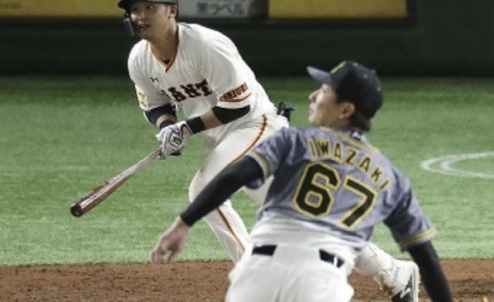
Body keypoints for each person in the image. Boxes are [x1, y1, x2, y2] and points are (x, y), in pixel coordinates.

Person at [118, 0, 420, 302]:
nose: (141, 15)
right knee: (307, 219)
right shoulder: (139, 59)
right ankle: (396, 273)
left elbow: (240, 104)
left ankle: (254, 273)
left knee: (203, 187)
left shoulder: (206, 45)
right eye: (135, 9)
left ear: (172, 11)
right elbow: (156, 104)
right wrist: (167, 127)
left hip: (258, 126)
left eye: (150, 7)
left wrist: (187, 129)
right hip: (227, 139)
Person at [149, 60, 454, 302]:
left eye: (324, 91)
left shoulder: (293, 141)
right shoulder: (391, 177)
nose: (313, 96)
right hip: (323, 284)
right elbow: (426, 257)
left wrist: (183, 224)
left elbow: (234, 175)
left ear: (346, 109)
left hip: (257, 275)